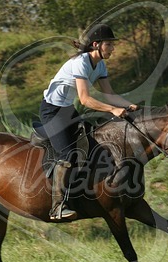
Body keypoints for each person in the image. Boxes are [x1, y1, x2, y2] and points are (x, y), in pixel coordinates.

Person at [40, 23, 138, 221]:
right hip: (51, 111)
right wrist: (112, 110)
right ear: (97, 44)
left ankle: (83, 193)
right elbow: (85, 99)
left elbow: (110, 95)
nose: (113, 48)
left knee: (91, 142)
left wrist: (131, 106)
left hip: (67, 109)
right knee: (67, 155)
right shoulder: (81, 63)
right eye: (109, 45)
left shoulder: (100, 64)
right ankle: (57, 206)